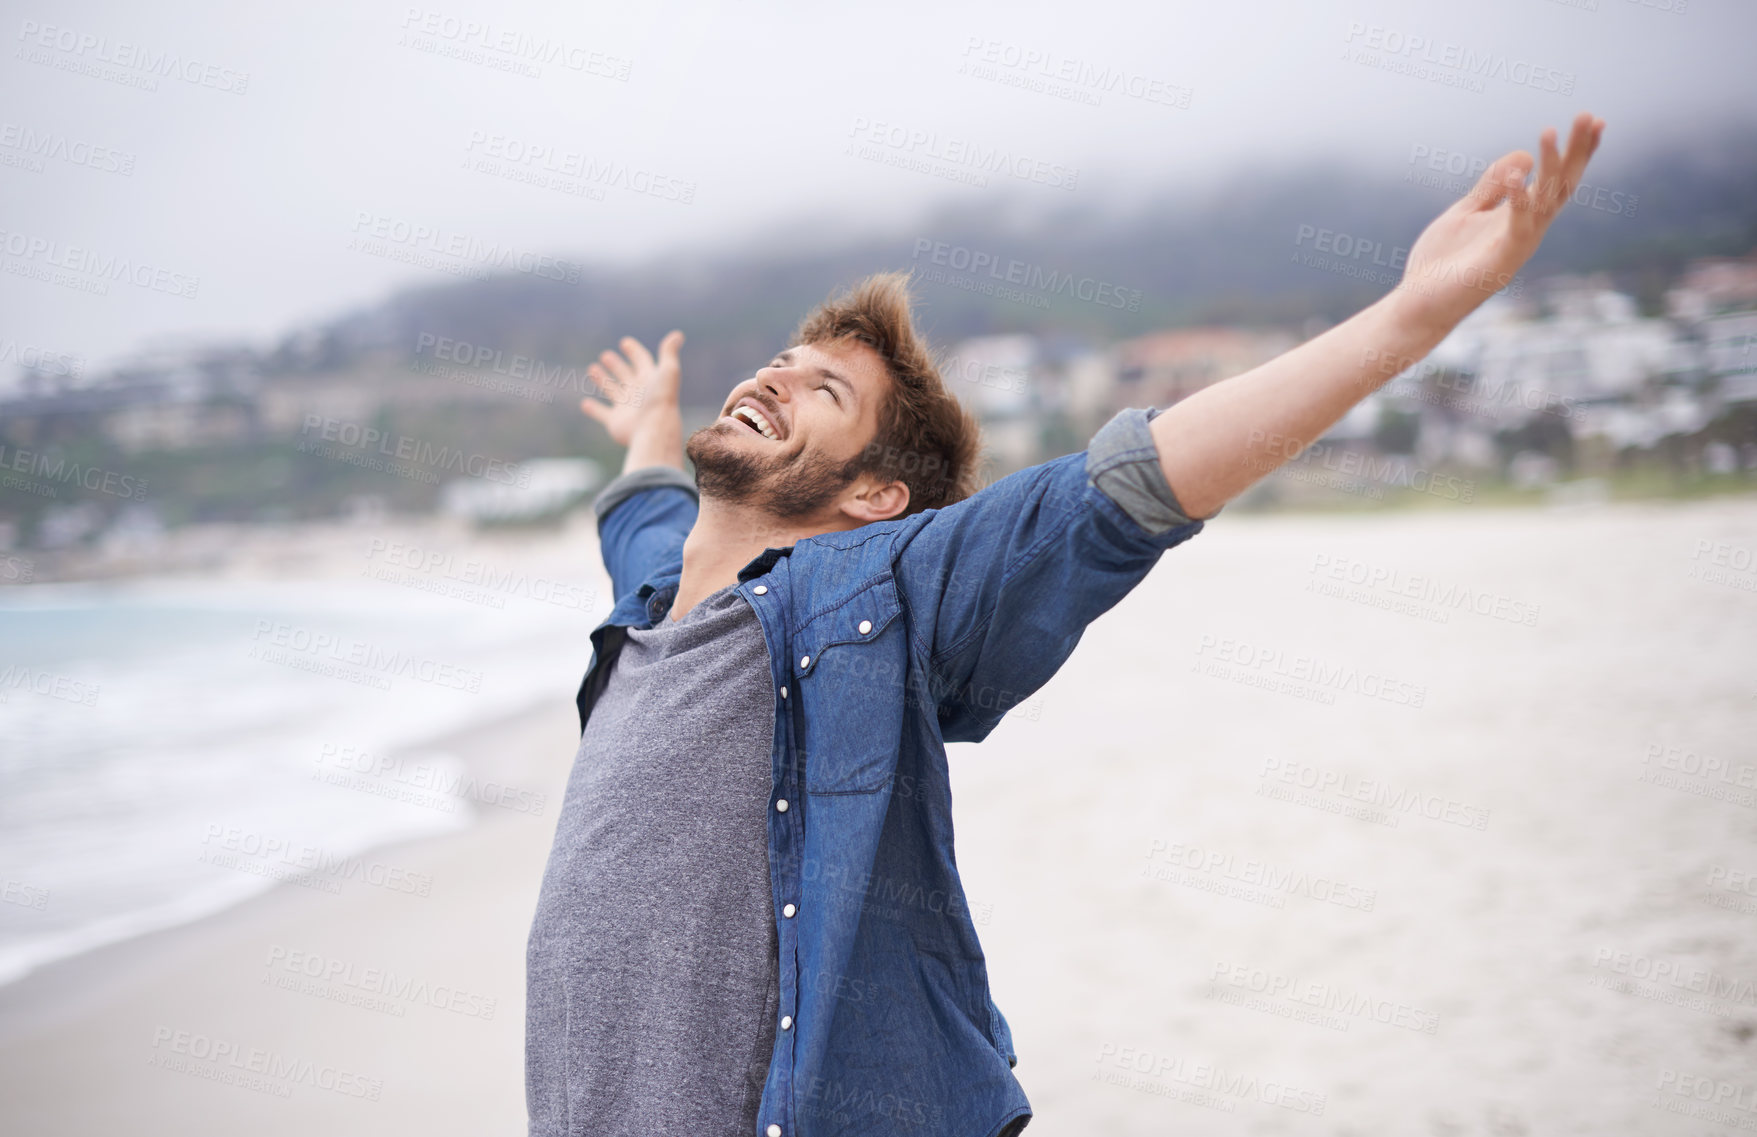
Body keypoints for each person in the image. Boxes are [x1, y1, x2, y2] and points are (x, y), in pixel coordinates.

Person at [525, 114, 1606, 1137]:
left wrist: (1411, 316)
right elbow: (647, 517)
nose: (773, 377)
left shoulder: (877, 592)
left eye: (822, 392)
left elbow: (1127, 485)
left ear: (872, 497)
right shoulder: (649, 610)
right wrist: (648, 435)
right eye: (780, 364)